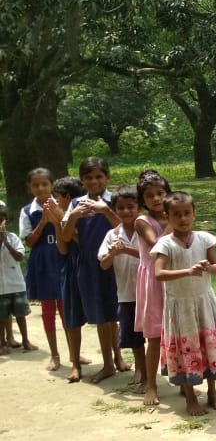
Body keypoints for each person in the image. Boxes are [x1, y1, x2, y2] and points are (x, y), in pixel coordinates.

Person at [152, 191, 216, 416]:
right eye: (176, 214)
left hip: (204, 303)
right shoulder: (165, 244)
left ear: (194, 214)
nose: (183, 218)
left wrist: (207, 267)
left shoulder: (204, 239)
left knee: (208, 346)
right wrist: (188, 271)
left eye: (187, 213)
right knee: (186, 350)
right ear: (167, 216)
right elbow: (158, 274)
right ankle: (190, 397)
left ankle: (213, 391)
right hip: (180, 307)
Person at [61, 156, 126, 383]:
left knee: (113, 313)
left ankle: (117, 358)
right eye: (88, 178)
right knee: (100, 315)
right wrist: (74, 216)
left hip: (114, 262)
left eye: (99, 176)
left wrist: (105, 210)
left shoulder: (115, 200)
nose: (94, 181)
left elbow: (125, 229)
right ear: (82, 180)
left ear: (107, 177)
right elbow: (66, 236)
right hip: (89, 265)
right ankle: (108, 364)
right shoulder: (76, 203)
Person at [97, 186, 145, 388]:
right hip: (126, 294)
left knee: (154, 335)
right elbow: (103, 264)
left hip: (149, 293)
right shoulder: (112, 234)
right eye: (121, 208)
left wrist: (126, 250)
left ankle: (158, 371)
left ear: (139, 207)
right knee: (135, 337)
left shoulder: (146, 230)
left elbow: (153, 257)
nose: (126, 211)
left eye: (130, 206)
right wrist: (113, 253)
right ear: (115, 210)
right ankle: (140, 369)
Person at [20, 168, 65, 369]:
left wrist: (57, 217)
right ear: (29, 187)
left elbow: (69, 231)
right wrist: (43, 221)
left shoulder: (61, 205)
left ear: (52, 185)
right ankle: (54, 354)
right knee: (48, 309)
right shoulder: (27, 211)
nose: (40, 188)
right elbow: (29, 242)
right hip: (42, 262)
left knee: (66, 308)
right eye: (35, 185)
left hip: (62, 257)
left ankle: (74, 352)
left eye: (45, 184)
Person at [134, 169, 171, 406]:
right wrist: (173, 223)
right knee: (155, 336)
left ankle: (183, 381)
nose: (156, 198)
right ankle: (151, 385)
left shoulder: (177, 214)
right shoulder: (142, 221)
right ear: (143, 200)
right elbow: (156, 246)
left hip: (175, 278)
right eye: (150, 195)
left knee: (177, 333)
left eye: (161, 193)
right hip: (153, 282)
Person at [53, 176, 90, 382]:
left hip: (90, 266)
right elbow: (62, 248)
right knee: (72, 317)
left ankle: (116, 358)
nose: (56, 201)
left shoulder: (86, 213)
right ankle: (75, 363)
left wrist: (66, 220)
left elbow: (85, 242)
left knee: (108, 317)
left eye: (57, 197)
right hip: (71, 267)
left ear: (67, 197)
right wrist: (57, 222)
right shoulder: (61, 216)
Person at [0, 201, 36, 354]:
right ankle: (2, 343)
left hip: (15, 284)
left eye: (1, 220)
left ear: (5, 221)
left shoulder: (13, 237)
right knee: (2, 316)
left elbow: (19, 257)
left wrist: (6, 243)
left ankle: (25, 340)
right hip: (1, 287)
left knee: (21, 314)